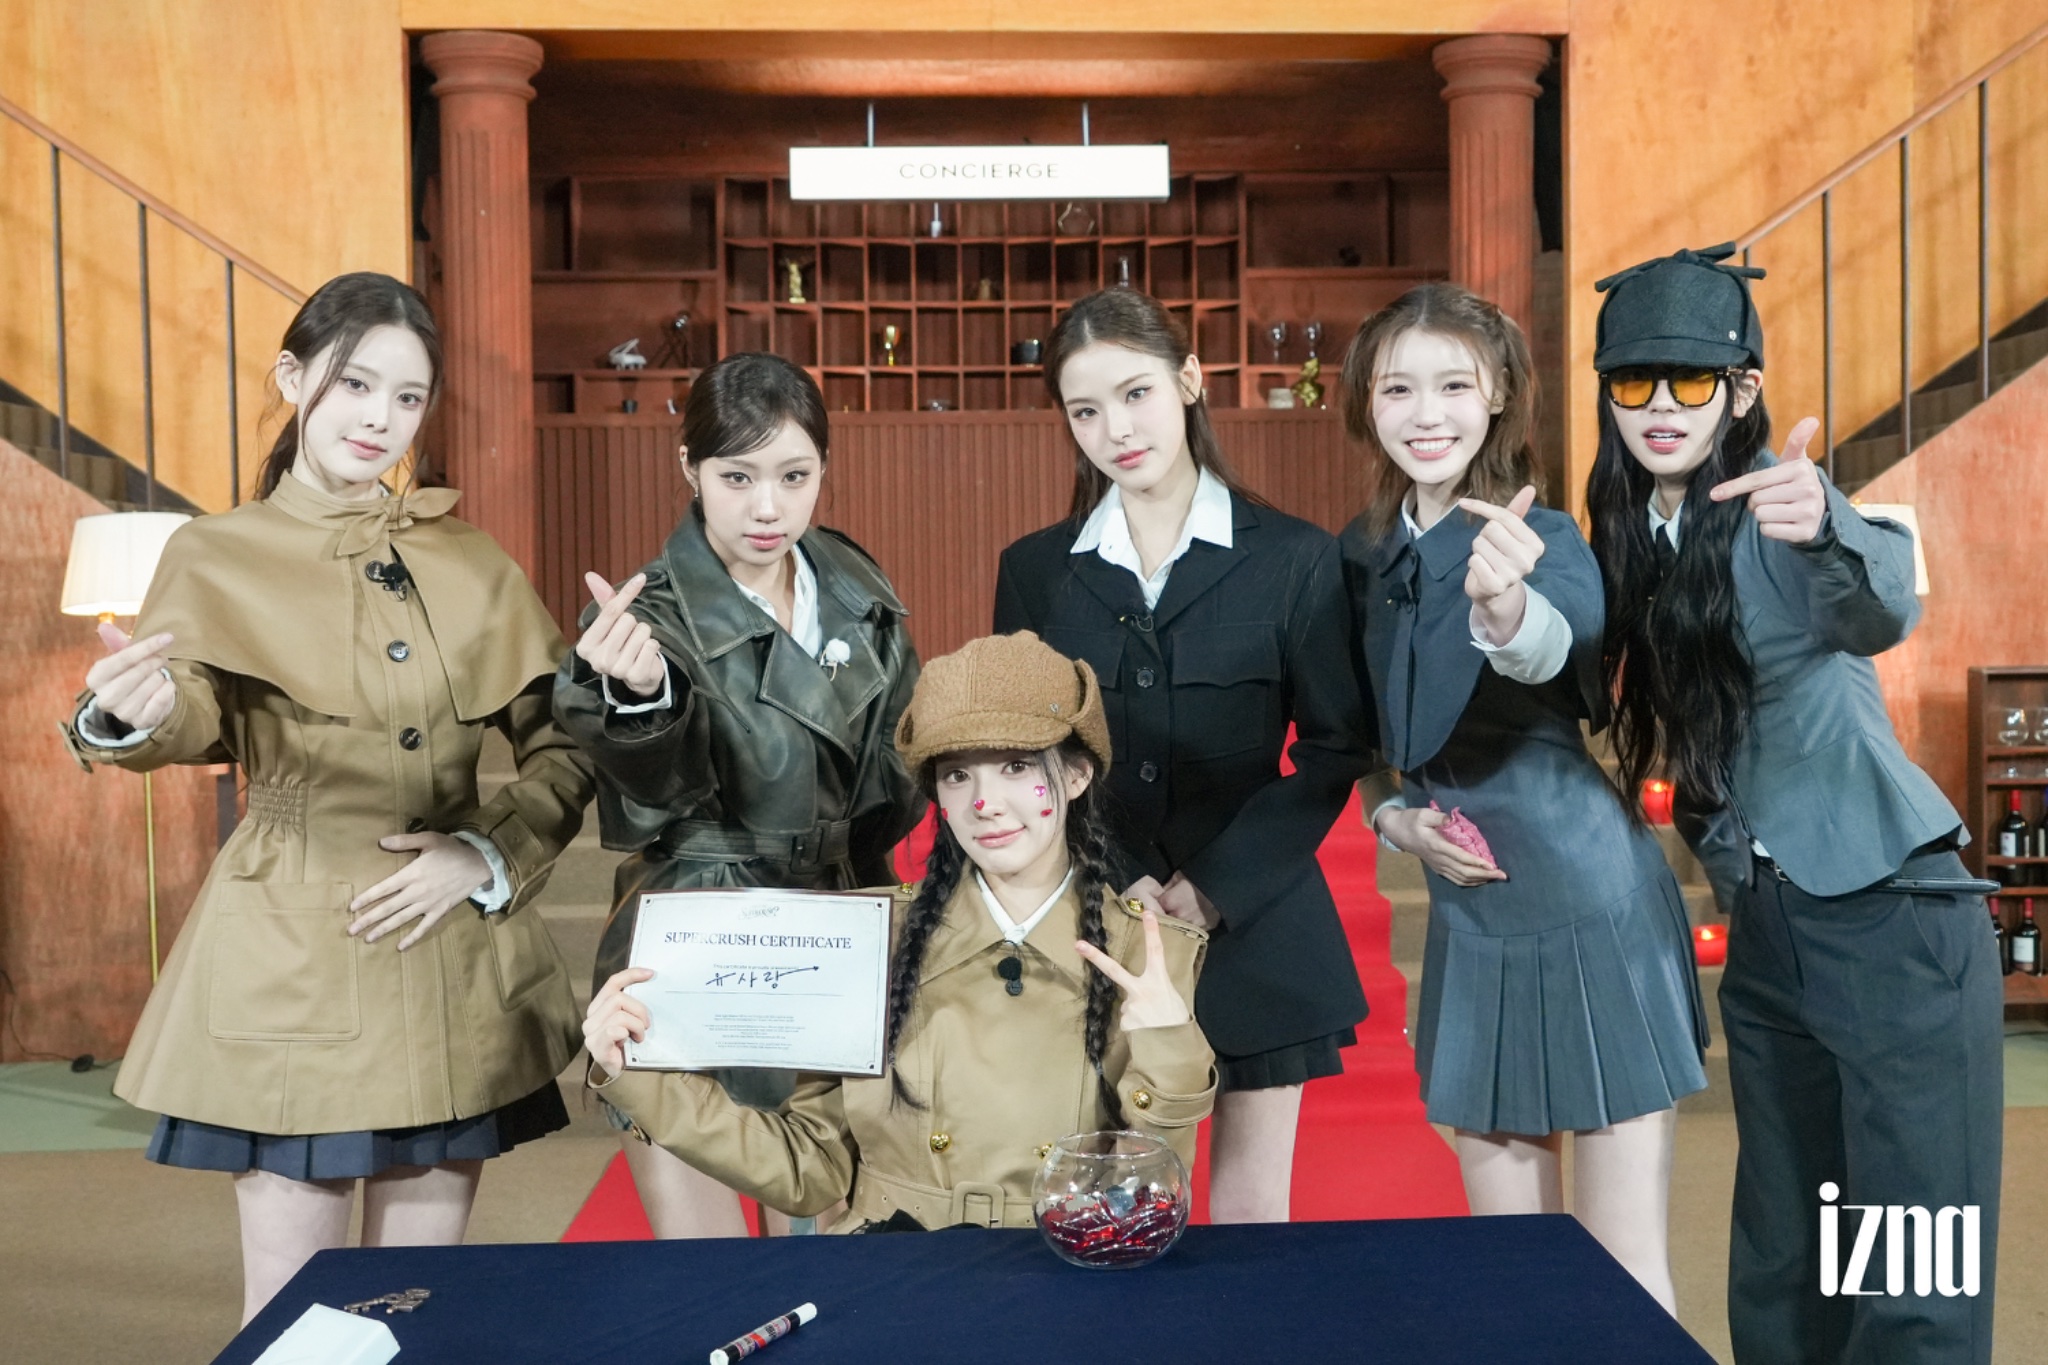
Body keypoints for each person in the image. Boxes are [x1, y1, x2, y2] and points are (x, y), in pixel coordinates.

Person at [60, 273, 594, 1323]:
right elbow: (189, 710)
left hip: (447, 964)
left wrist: (483, 854)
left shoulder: (469, 557)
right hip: (293, 964)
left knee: (411, 1311)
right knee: (295, 1320)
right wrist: (131, 711)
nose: (379, 417)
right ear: (293, 377)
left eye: (407, 396)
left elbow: (564, 743)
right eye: (356, 383)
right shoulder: (215, 552)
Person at [1583, 244, 2002, 1362]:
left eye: (1690, 379)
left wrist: (1826, 518)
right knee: (1790, 1254)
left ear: (1742, 391)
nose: (1661, 406)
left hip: (1892, 915)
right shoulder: (1635, 539)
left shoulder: (1782, 511)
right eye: (1634, 380)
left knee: (1909, 1259)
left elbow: (1880, 606)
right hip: (1770, 930)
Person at [1335, 282, 1707, 1309]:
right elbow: (1349, 733)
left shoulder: (1542, 538)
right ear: (1367, 402)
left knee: (1621, 1270)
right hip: (1474, 926)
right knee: (1515, 1275)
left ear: (1497, 394)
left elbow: (1557, 647)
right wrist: (1392, 817)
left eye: (1454, 385)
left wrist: (1502, 607)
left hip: (1591, 909)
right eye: (1398, 388)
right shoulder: (1360, 555)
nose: (1426, 413)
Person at [581, 631, 1215, 1229]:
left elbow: (1147, 1198)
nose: (985, 803)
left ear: (1076, 775)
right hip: (891, 1257)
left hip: (1061, 1263)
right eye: (958, 775)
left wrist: (1169, 1047)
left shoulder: (1146, 952)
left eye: (1017, 767)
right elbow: (810, 1169)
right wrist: (637, 1074)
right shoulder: (869, 937)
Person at [992, 289, 1369, 1223]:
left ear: (1190, 380)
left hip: (1255, 925)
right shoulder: (1036, 570)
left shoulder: (1295, 558)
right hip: (1095, 919)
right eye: (1086, 410)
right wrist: (1116, 879)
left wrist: (1214, 886)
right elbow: (1026, 756)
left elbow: (1335, 748)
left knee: (1250, 1224)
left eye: (1137, 394)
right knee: (1109, 1217)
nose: (1116, 430)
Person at [554, 352, 924, 1237]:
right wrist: (641, 700)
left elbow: (899, 777)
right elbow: (646, 785)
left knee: (843, 1253)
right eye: (737, 477)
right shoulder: (642, 618)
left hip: (837, 927)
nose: (768, 508)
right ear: (689, 466)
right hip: (694, 937)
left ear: (823, 469)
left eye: (795, 476)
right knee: (709, 1266)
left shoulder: (856, 586)